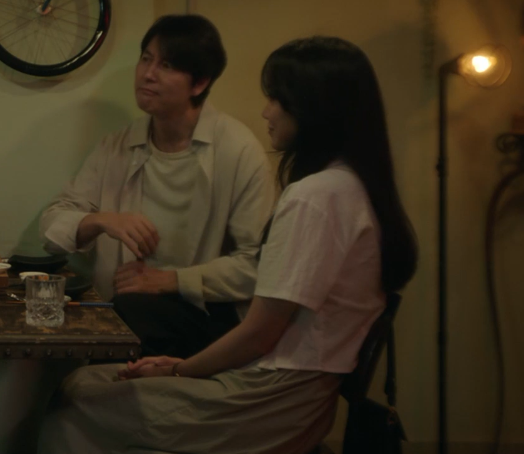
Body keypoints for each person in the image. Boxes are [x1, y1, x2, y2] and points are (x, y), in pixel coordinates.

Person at [37, 36, 419, 454]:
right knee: (95, 376)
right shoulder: (353, 187)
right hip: (293, 392)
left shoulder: (311, 194)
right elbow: (56, 221)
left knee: (77, 397)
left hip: (271, 397)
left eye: (277, 99)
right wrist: (101, 221)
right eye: (146, 60)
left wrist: (180, 370)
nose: (266, 111)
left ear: (315, 109)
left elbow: (259, 331)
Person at [39, 14, 274, 359]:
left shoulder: (238, 150)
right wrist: (102, 220)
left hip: (206, 322)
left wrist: (170, 281)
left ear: (199, 83)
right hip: (126, 315)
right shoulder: (119, 145)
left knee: (127, 314)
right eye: (146, 59)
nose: (148, 74)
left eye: (166, 65)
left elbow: (257, 266)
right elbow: (52, 228)